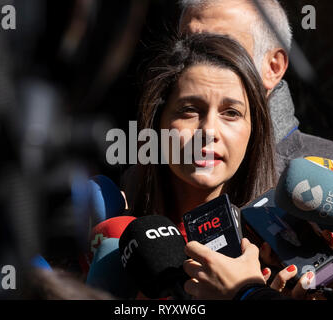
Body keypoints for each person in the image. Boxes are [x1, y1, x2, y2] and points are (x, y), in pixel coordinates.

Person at [177, 0, 333, 263]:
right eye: (184, 44)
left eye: (219, 48)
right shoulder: (141, 177)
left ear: (273, 66)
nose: (193, 61)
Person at [123, 32, 319, 299]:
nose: (209, 130)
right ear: (157, 125)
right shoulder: (114, 237)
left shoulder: (283, 248)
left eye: (231, 113)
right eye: (189, 109)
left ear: (254, 132)